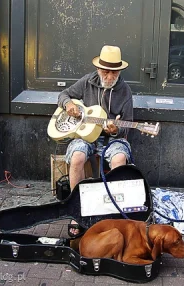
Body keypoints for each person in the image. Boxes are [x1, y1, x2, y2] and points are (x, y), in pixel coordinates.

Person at [56, 45, 133, 237]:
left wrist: (116, 130)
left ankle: (113, 210)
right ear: (98, 69)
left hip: (111, 139)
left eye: (113, 72)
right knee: (77, 157)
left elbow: (128, 124)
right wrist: (69, 104)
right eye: (105, 71)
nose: (108, 76)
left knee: (119, 160)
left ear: (119, 71)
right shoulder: (87, 81)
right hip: (85, 135)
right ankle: (77, 210)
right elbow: (63, 95)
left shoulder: (125, 91)